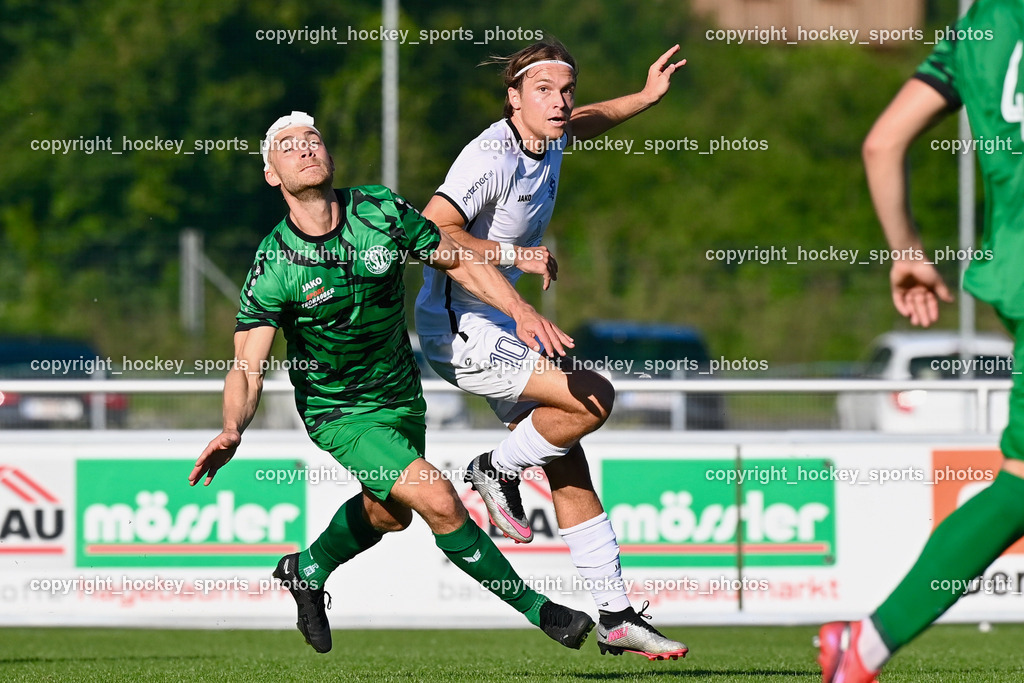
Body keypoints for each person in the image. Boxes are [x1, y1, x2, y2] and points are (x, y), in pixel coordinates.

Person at [189, 111, 594, 654]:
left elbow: (458, 259)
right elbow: (247, 365)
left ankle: (305, 571)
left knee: (390, 513)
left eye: (313, 139)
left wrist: (517, 308)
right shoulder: (275, 264)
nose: (305, 149)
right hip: (340, 413)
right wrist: (232, 428)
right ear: (272, 174)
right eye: (288, 146)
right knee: (440, 499)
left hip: (402, 396)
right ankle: (544, 612)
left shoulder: (379, 208)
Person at [414, 39, 688, 660]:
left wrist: (644, 98)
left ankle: (616, 616)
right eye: (544, 91)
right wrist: (516, 264)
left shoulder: (554, 131)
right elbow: (431, 232)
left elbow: (588, 120)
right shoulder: (490, 155)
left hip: (499, 322)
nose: (561, 103)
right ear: (514, 99)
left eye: (566, 90)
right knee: (593, 398)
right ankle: (494, 469)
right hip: (457, 325)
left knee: (566, 455)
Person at [817, 2, 1024, 681]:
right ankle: (866, 646)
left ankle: (865, 645)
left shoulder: (982, 24)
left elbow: (882, 142)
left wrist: (906, 250)